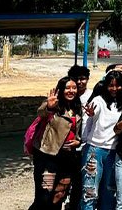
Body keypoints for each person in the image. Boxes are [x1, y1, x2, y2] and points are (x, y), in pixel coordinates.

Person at [32, 77, 82, 209]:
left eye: (74, 87)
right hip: (48, 158)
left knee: (60, 194)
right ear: (61, 90)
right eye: (67, 88)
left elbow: (79, 132)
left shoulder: (77, 107)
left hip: (67, 160)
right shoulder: (53, 104)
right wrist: (48, 107)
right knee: (44, 196)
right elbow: (41, 113)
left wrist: (78, 142)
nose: (71, 91)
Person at [81, 70, 122, 210]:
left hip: (114, 153)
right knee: (90, 192)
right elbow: (93, 113)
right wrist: (92, 113)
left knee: (109, 191)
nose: (114, 89)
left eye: (117, 85)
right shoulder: (99, 100)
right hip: (95, 151)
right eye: (111, 85)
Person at [65, 65, 90, 210]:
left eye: (83, 79)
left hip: (85, 145)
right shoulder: (66, 96)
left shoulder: (94, 96)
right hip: (67, 147)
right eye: (76, 79)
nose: (80, 82)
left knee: (81, 182)